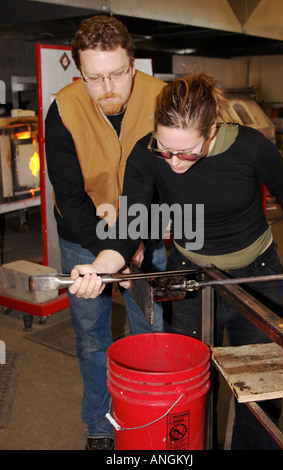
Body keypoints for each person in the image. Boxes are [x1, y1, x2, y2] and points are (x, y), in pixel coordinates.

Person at [69, 71, 283, 450]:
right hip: (190, 280)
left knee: (262, 391)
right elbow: (129, 228)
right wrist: (101, 267)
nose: (175, 162)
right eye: (166, 149)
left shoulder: (250, 148)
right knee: (188, 389)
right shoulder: (146, 154)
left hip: (258, 275)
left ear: (211, 132)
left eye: (188, 152)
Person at [44, 15, 167, 450]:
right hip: (82, 232)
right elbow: (72, 199)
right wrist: (111, 253)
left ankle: (149, 417)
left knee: (149, 330)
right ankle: (99, 425)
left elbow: (172, 181)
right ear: (80, 72)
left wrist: (137, 240)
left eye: (117, 74)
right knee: (92, 336)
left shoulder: (163, 99)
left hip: (146, 227)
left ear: (134, 65)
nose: (108, 87)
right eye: (94, 78)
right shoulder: (63, 109)